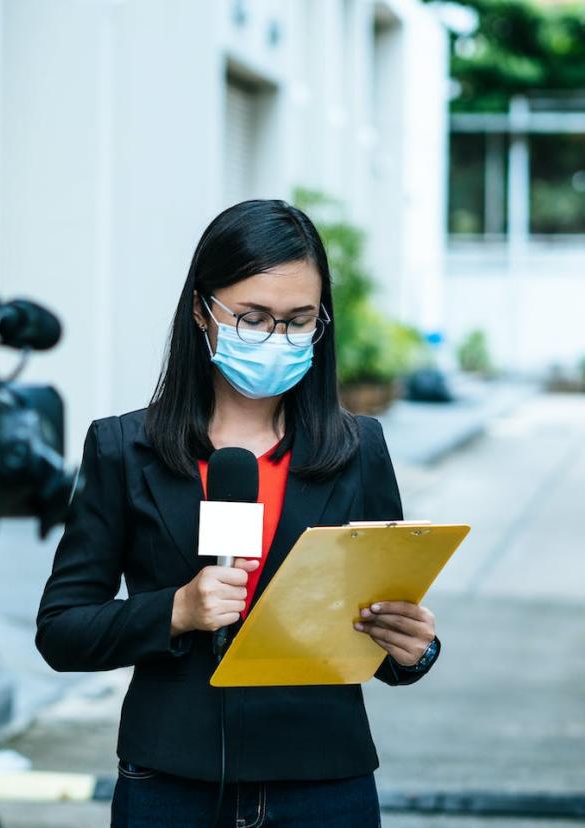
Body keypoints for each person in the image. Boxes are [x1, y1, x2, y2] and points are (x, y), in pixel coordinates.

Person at [36, 200, 441, 827]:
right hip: (169, 784)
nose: (277, 338)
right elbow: (62, 630)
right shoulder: (121, 448)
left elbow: (383, 640)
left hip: (323, 786)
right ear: (203, 309)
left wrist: (413, 649)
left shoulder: (359, 449)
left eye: (298, 320)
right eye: (253, 318)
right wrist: (176, 611)